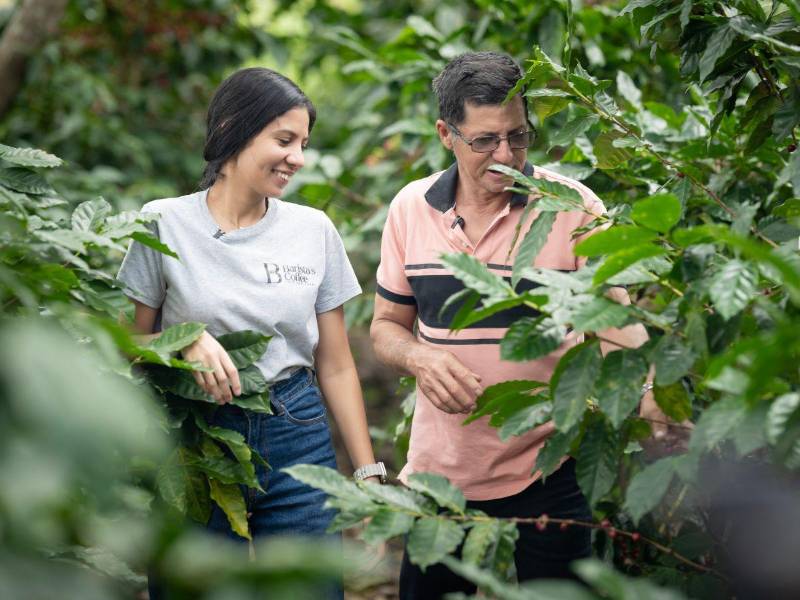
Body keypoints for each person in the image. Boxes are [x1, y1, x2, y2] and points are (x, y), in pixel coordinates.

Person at [370, 51, 682, 598]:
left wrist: (652, 393)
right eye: (485, 141)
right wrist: (419, 356)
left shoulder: (571, 204)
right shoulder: (409, 208)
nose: (506, 155)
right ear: (447, 133)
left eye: (518, 136)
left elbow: (614, 322)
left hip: (549, 464)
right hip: (440, 471)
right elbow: (385, 327)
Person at [117, 68, 384, 598]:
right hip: (194, 435)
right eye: (284, 140)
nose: (298, 158)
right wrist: (183, 339)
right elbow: (122, 344)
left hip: (296, 428)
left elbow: (334, 363)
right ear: (233, 129)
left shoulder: (313, 230)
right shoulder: (163, 223)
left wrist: (368, 474)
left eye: (304, 143)